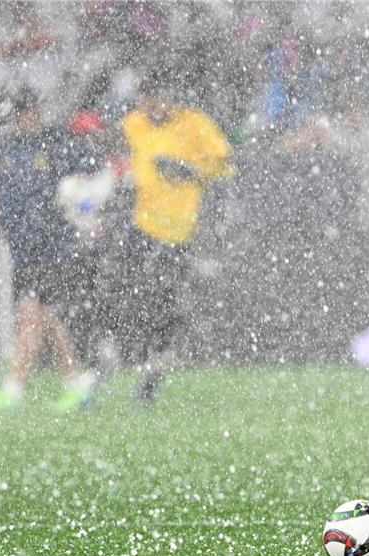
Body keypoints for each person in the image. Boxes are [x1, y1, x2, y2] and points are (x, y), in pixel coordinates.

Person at [109, 67, 234, 403]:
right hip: (138, 226)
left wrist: (190, 171)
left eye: (158, 99)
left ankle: (153, 372)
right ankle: (112, 360)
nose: (153, 106)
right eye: (146, 100)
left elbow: (225, 165)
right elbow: (115, 158)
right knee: (121, 295)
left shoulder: (194, 125)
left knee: (164, 305)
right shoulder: (132, 125)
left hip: (179, 232)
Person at [0, 88, 96, 411]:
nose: (27, 117)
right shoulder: (2, 149)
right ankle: (75, 382)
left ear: (38, 111)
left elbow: (90, 172)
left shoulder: (57, 142)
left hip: (54, 246)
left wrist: (81, 197)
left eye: (31, 111)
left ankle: (18, 388)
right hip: (23, 249)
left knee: (35, 316)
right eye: (21, 112)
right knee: (47, 318)